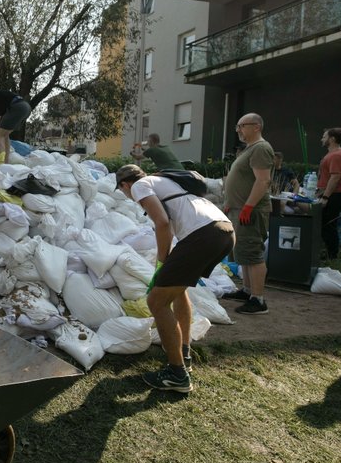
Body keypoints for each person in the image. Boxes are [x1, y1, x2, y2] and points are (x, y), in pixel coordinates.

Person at [116, 164, 234, 393]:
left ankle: (176, 373)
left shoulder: (140, 185)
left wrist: (161, 262)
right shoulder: (166, 181)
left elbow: (162, 223)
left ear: (125, 184)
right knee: (178, 290)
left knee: (156, 301)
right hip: (223, 229)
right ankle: (184, 354)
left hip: (203, 234)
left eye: (122, 191)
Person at [222, 113, 274, 315]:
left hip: (250, 211)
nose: (239, 131)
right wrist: (230, 203)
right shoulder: (250, 149)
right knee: (243, 252)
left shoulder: (261, 148)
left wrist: (248, 206)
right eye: (238, 126)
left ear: (256, 127)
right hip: (240, 209)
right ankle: (247, 290)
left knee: (252, 252)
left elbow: (263, 181)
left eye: (241, 126)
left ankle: (258, 300)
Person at [315, 127, 341, 260]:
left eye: (324, 136)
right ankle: (328, 252)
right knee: (324, 225)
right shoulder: (332, 153)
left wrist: (325, 197)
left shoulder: (337, 155)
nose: (322, 139)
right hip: (327, 192)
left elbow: (335, 177)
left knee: (328, 226)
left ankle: (332, 255)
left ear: (332, 139)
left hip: (334, 195)